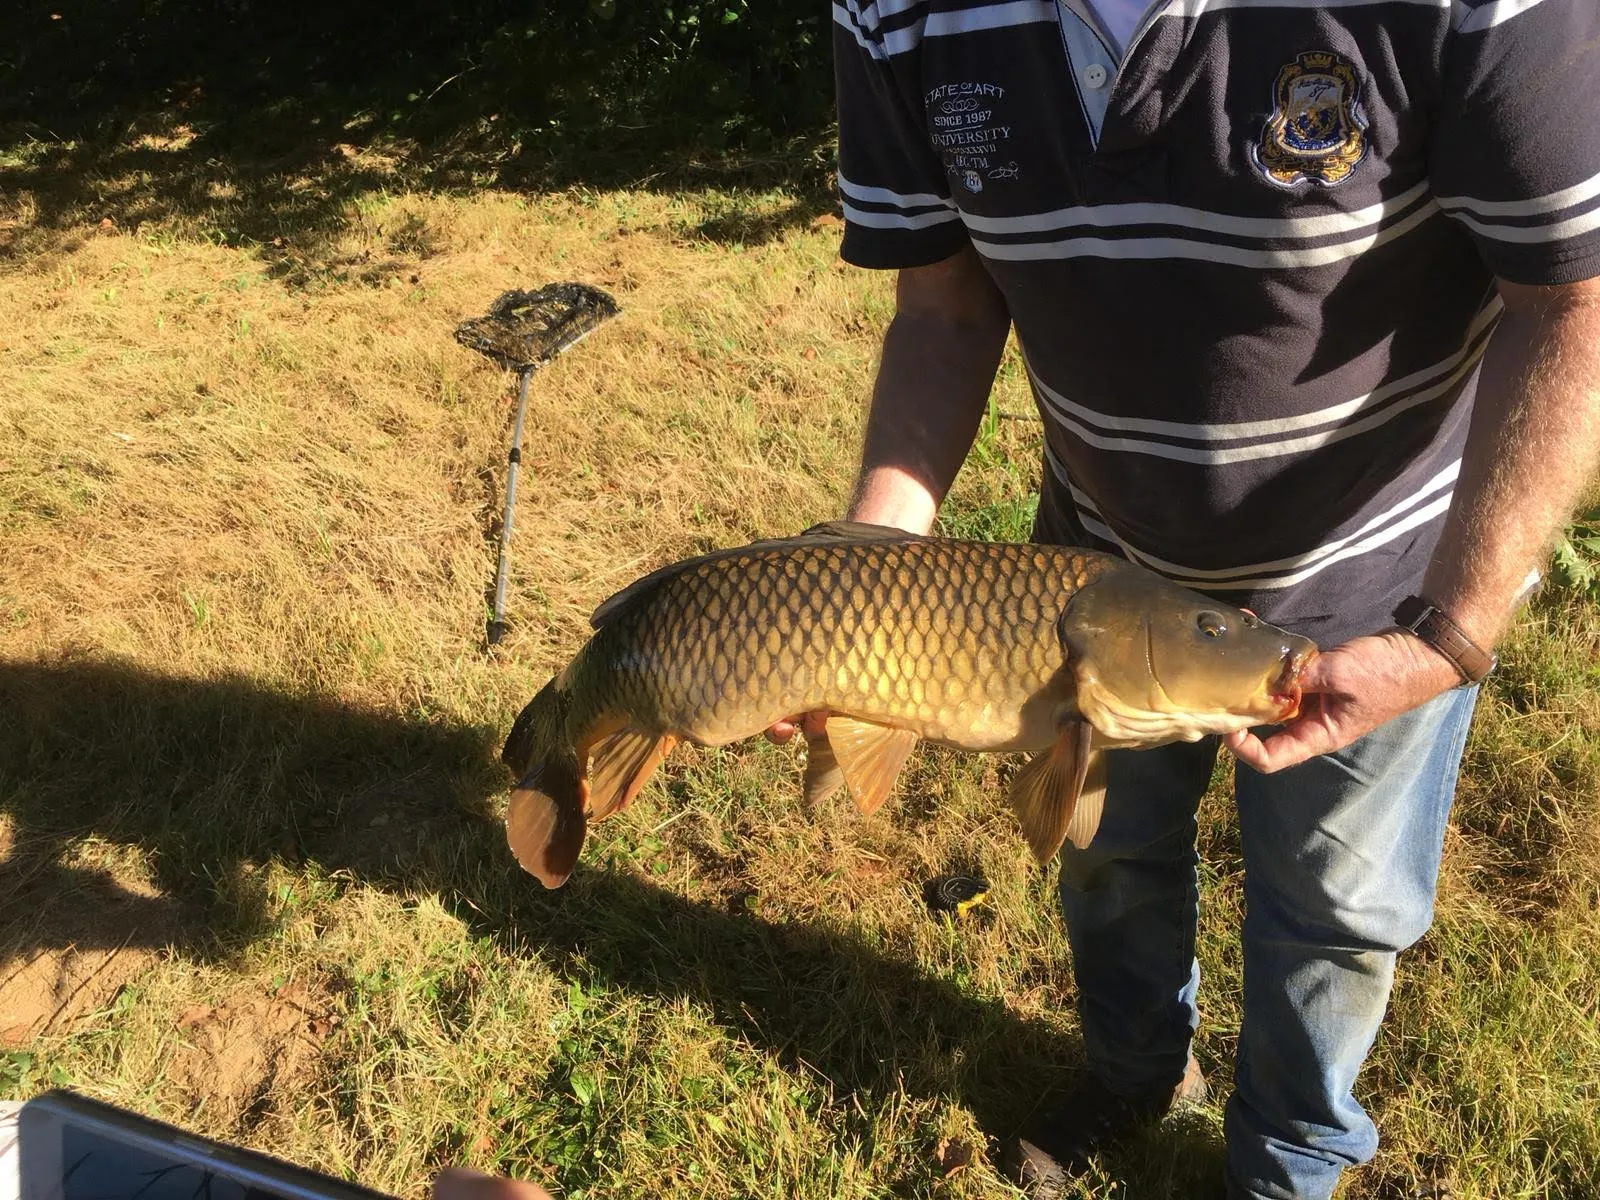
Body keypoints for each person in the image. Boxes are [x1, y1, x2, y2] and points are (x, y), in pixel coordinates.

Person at [809, 1, 1600, 1197]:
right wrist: (861, 582)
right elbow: (944, 302)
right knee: (1105, 857)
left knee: (1334, 907)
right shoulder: (899, 11)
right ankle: (1131, 1076)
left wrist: (1448, 631)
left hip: (1373, 583)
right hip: (1089, 574)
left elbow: (1573, 294)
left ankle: (1290, 1159)